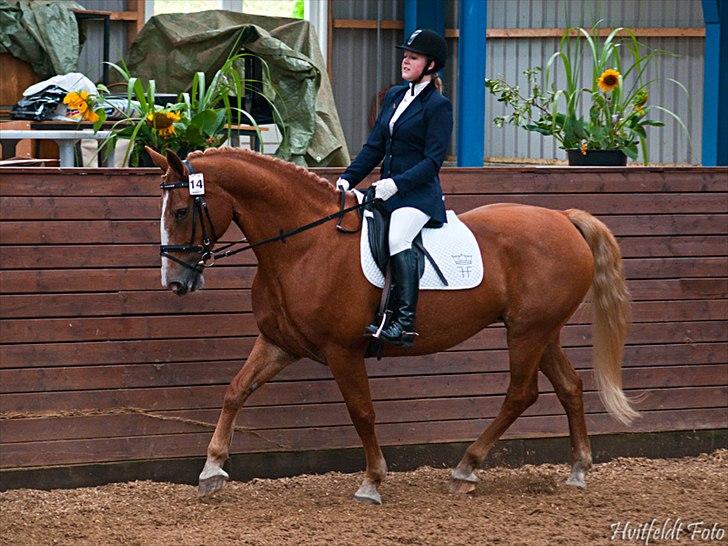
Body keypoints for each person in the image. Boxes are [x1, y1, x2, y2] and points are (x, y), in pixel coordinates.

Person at [336, 29, 453, 347]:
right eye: (405, 55)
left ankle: (403, 322)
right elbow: (374, 147)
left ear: (430, 65)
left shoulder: (438, 106)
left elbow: (432, 162)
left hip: (417, 195)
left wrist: (395, 184)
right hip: (386, 190)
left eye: (413, 57)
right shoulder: (394, 97)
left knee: (398, 236)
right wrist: (348, 178)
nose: (405, 59)